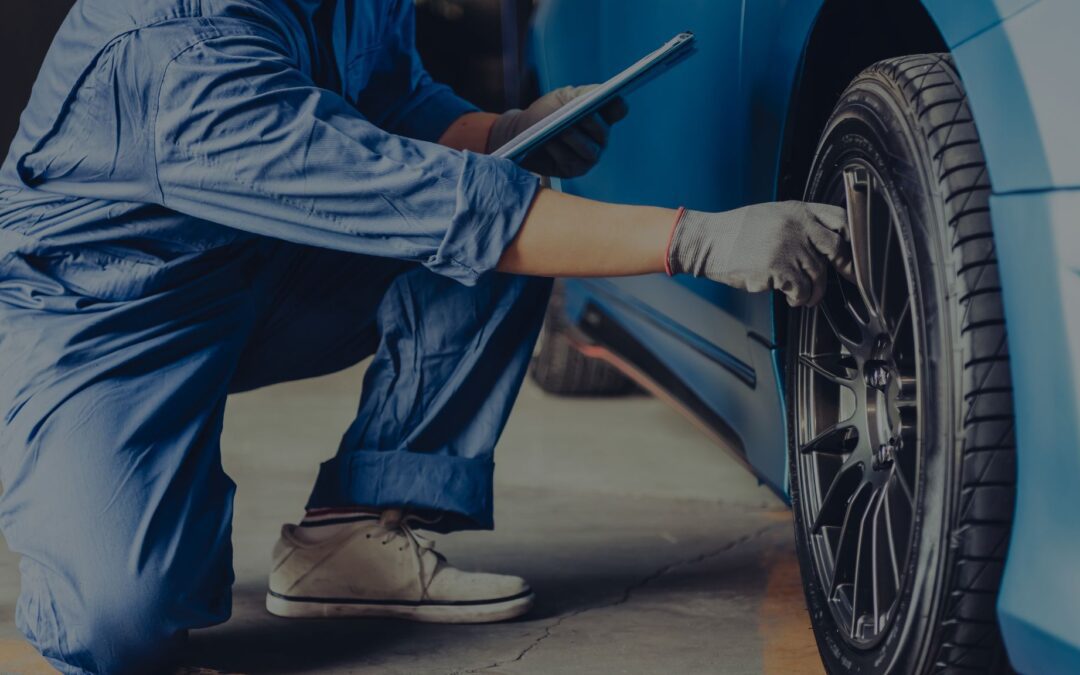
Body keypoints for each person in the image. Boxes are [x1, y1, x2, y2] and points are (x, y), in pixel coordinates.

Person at [0, 0, 851, 672]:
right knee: (120, 626)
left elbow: (391, 102)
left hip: (266, 263)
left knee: (507, 178)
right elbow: (438, 206)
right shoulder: (178, 46)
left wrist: (504, 132)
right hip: (109, 311)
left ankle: (351, 532)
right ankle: (59, 477)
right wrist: (696, 239)